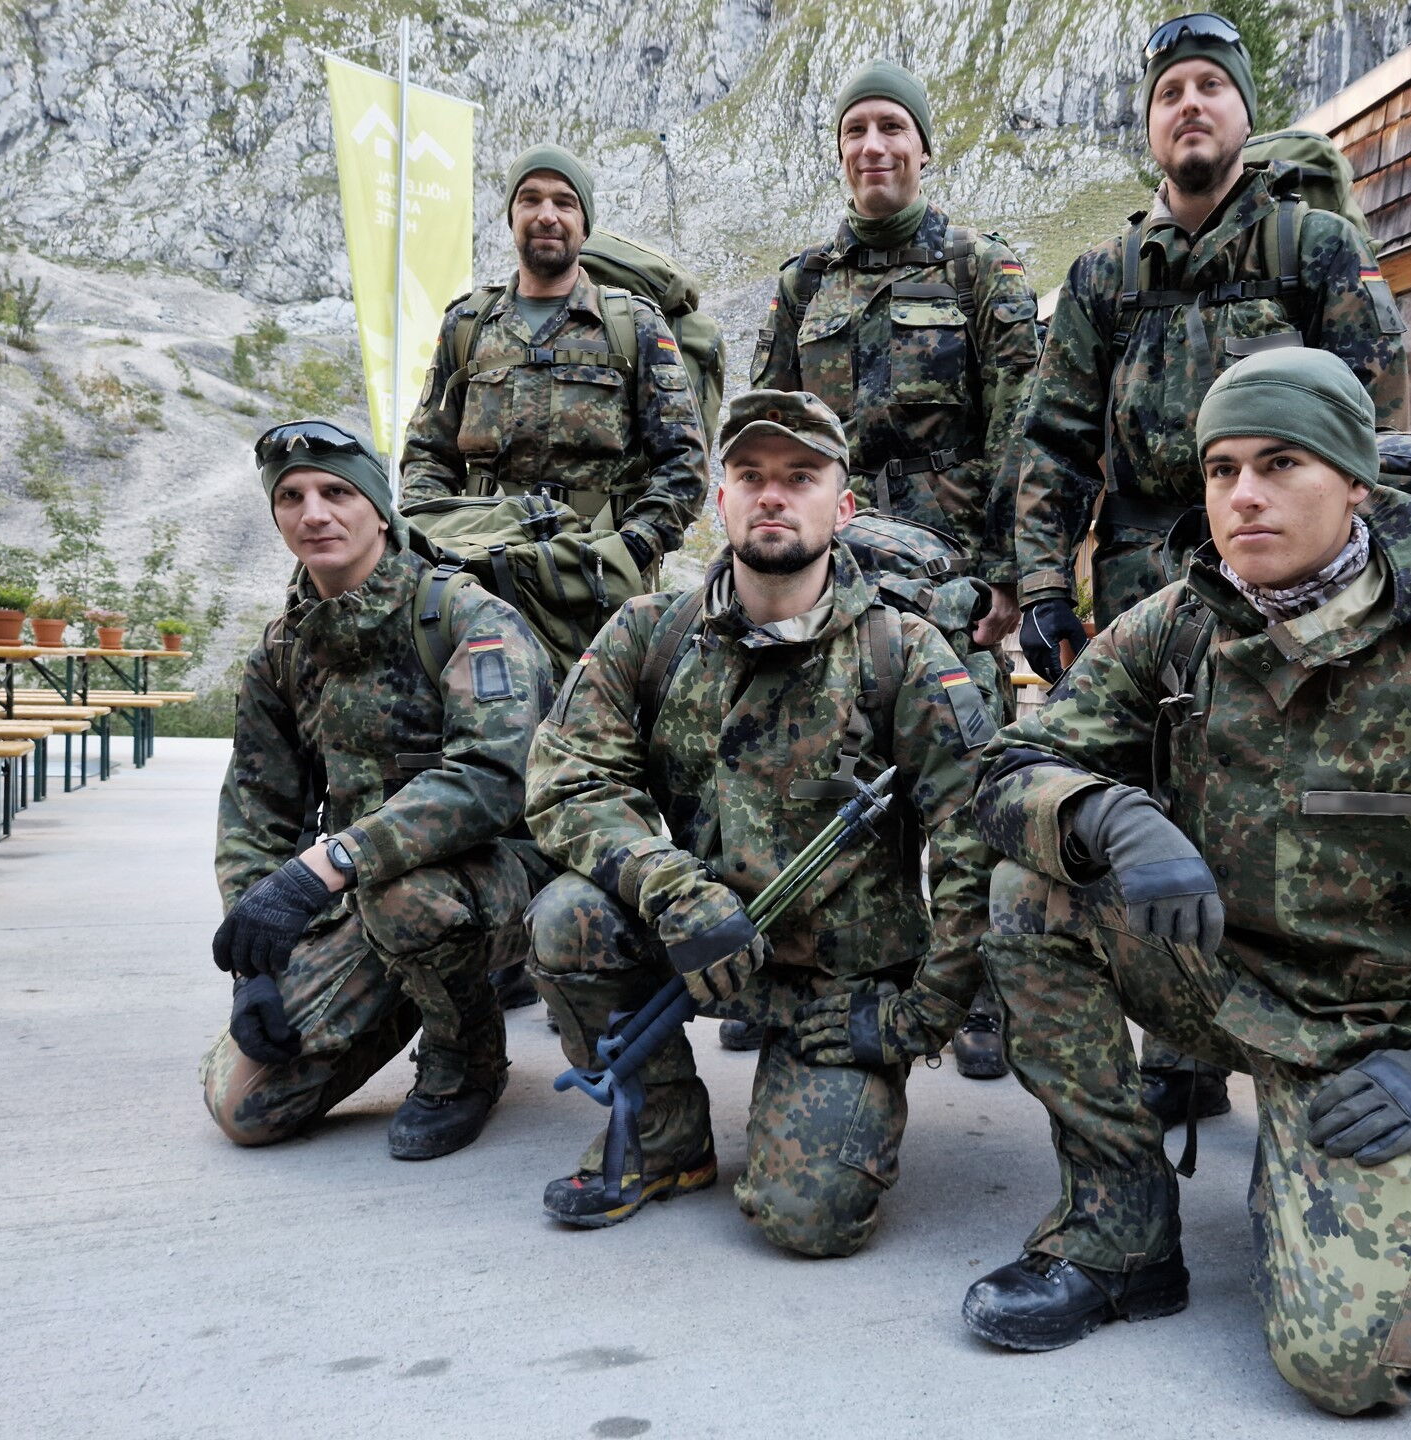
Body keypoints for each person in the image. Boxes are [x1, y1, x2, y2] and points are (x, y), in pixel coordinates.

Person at [961, 349, 1411, 1415]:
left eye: (1280, 463)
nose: (1243, 495)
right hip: (1217, 972)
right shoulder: (1179, 623)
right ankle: (1118, 1234)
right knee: (1034, 889)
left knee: (1360, 1364)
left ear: (1355, 486)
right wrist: (1108, 815)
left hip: (1380, 1040)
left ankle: (1371, 1183)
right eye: (1222, 469)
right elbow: (1010, 767)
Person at [1010, 12, 1410, 1119]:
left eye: (1210, 87)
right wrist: (1043, 584)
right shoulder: (1105, 276)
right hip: (1143, 580)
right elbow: (1053, 440)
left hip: (1287, 578)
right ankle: (1184, 1043)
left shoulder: (1310, 249)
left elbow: (1374, 417)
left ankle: (1306, 1032)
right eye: (1169, 92)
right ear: (1150, 125)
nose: (1190, 105)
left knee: (1275, 798)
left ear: (1243, 110)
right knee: (1151, 795)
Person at [523, 389, 996, 1254]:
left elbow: (977, 844)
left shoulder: (903, 652)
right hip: (693, 942)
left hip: (837, 981)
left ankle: (817, 1101)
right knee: (568, 917)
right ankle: (663, 1134)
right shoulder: (649, 633)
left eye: (801, 476)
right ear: (722, 501)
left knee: (808, 1221)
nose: (773, 495)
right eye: (751, 476)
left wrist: (920, 1015)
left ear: (842, 508)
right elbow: (568, 780)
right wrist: (673, 889)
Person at [748, 61, 1039, 1075]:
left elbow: (1021, 427)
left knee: (964, 775)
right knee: (816, 765)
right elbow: (764, 436)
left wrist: (1009, 573)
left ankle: (981, 988)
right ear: (841, 150)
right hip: (831, 578)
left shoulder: (980, 270)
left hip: (950, 577)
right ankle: (805, 956)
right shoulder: (804, 283)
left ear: (922, 146)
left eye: (891, 128)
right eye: (855, 130)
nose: (873, 145)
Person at [202, 420, 555, 1160]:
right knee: (248, 1107)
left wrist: (329, 864)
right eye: (291, 497)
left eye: (337, 493)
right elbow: (257, 813)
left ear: (379, 507)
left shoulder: (466, 617)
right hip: (364, 893)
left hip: (501, 882)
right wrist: (253, 966)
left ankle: (467, 1057)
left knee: (408, 897)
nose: (314, 514)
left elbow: (494, 778)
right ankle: (412, 990)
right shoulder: (282, 649)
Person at [400, 142, 710, 587]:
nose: (547, 215)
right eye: (530, 199)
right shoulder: (466, 325)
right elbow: (427, 454)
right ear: (512, 217)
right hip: (479, 571)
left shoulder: (634, 325)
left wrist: (633, 548)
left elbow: (685, 462)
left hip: (596, 576)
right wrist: (434, 538)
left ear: (584, 225)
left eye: (564, 203)